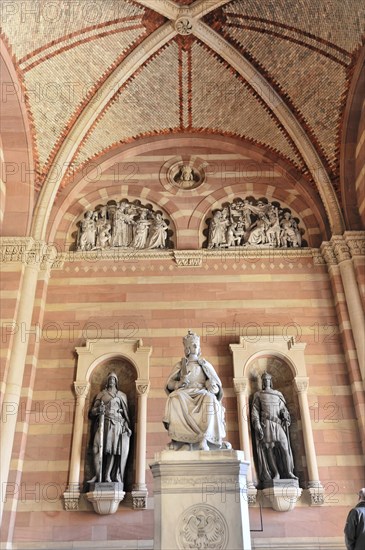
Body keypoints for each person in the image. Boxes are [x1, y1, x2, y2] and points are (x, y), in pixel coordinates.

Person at [163, 330, 227, 451]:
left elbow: (217, 387)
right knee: (174, 398)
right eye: (191, 345)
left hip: (202, 392)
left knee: (210, 398)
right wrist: (179, 383)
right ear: (186, 349)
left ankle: (205, 438)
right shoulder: (180, 365)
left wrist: (212, 386)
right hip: (185, 392)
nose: (194, 347)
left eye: (196, 345)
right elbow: (169, 384)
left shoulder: (205, 364)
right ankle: (182, 439)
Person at [251, 372, 297, 484]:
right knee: (269, 449)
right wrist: (257, 424)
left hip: (277, 423)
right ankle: (276, 473)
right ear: (262, 382)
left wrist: (285, 414)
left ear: (271, 381)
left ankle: (289, 472)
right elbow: (255, 411)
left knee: (284, 447)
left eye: (268, 379)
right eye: (264, 380)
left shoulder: (277, 394)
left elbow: (283, 409)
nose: (266, 381)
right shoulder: (259, 395)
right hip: (266, 423)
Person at [88, 372, 131, 484]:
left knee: (112, 450)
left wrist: (126, 427)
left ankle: (107, 475)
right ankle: (98, 475)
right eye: (110, 378)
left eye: (113, 378)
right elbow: (92, 411)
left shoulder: (121, 395)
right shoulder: (101, 394)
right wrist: (98, 410)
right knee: (96, 448)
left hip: (116, 424)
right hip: (103, 423)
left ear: (116, 381)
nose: (112, 380)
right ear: (107, 381)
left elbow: (125, 415)